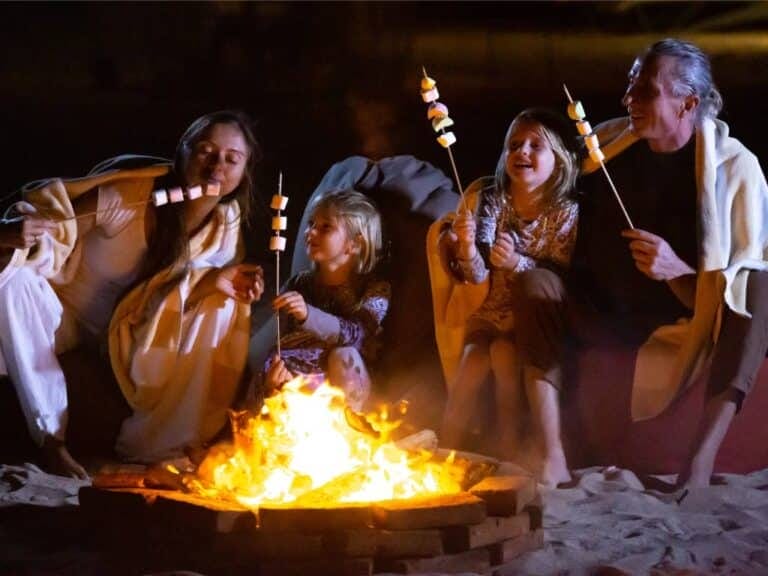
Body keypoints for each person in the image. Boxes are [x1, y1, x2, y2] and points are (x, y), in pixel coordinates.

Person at [0, 110, 265, 477]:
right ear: (182, 153)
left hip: (130, 340)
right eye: (205, 151)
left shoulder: (224, 229)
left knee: (223, 299)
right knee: (15, 280)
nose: (217, 165)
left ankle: (169, 439)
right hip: (58, 315)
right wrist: (18, 234)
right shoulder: (127, 198)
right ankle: (52, 442)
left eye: (232, 158)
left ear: (243, 173)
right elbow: (54, 233)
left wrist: (219, 282)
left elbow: (178, 297)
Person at [571, 38, 768, 489]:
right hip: (613, 309)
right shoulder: (606, 146)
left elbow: (728, 288)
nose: (628, 100)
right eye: (629, 87)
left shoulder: (736, 168)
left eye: (645, 91)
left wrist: (676, 270)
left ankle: (699, 462)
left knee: (758, 287)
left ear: (688, 103)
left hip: (696, 310)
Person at [438, 108, 580, 487]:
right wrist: (467, 248)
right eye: (514, 145)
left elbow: (558, 270)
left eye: (536, 145)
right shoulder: (489, 198)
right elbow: (478, 273)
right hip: (487, 311)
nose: (523, 152)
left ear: (560, 160)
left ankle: (510, 443)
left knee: (505, 357)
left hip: (527, 319)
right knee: (472, 362)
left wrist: (517, 261)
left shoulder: (565, 211)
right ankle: (445, 445)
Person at [264, 189, 390, 412]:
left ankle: (351, 435)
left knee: (346, 355)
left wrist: (308, 315)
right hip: (296, 387)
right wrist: (274, 377)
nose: (311, 232)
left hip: (343, 388)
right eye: (311, 224)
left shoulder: (374, 289)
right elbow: (283, 340)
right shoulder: (299, 284)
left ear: (354, 244)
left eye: (325, 227)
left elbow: (357, 335)